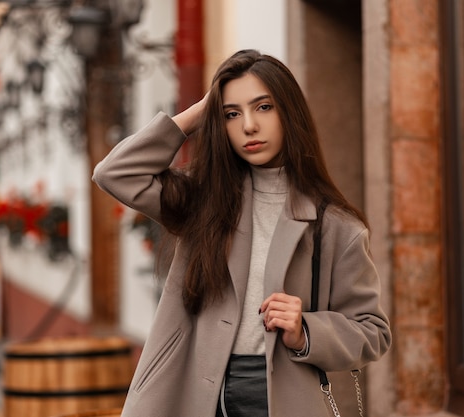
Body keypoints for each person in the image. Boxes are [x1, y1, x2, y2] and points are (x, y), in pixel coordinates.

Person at [93, 49, 391, 417]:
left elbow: (373, 331)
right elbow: (115, 173)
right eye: (232, 114)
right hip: (195, 390)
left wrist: (306, 329)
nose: (248, 125)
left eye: (263, 107)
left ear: (289, 112)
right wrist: (200, 111)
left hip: (283, 396)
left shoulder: (336, 226)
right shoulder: (203, 201)